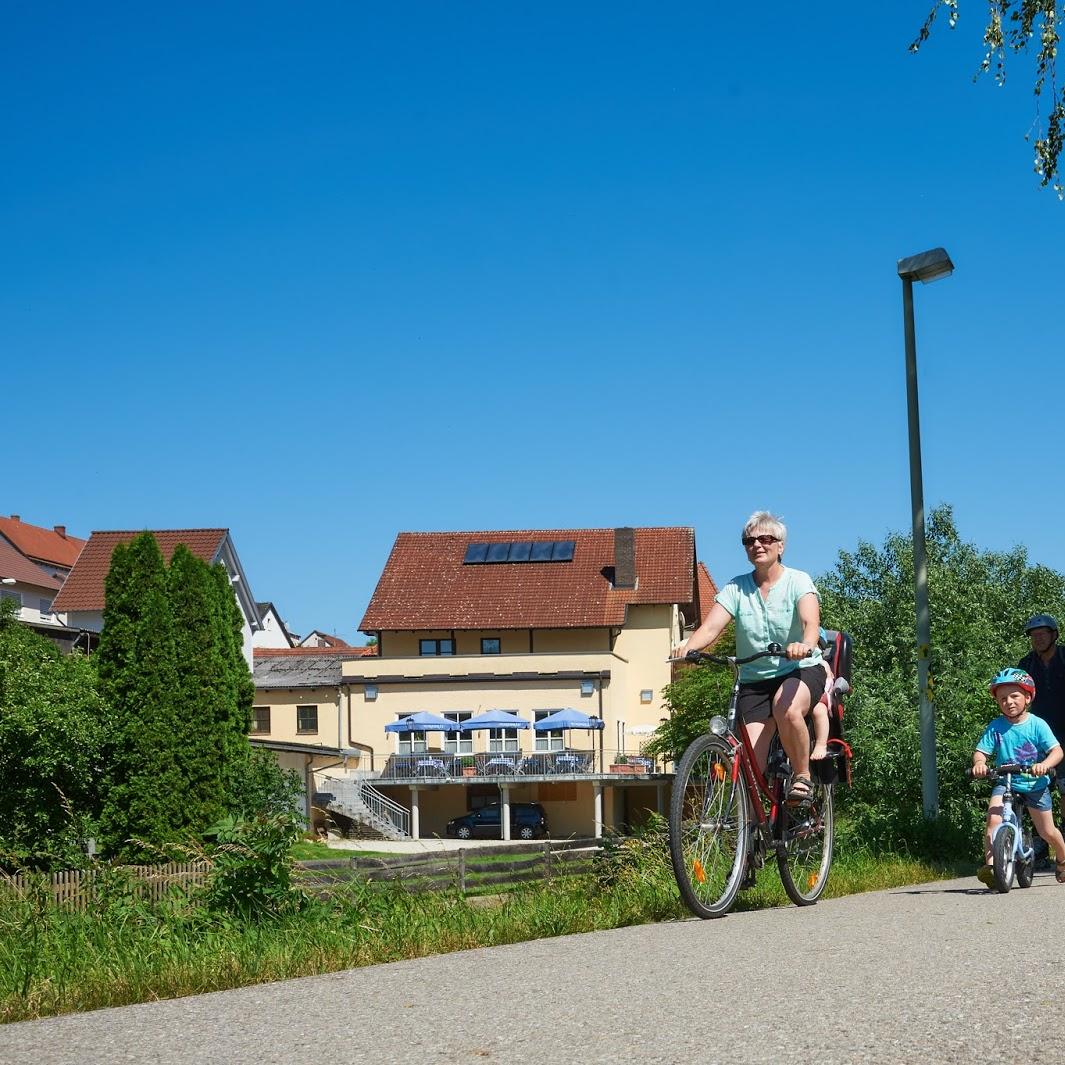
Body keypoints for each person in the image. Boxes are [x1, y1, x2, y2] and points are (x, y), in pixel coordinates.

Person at [675, 510, 827, 803]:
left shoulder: (798, 581)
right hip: (754, 679)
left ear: (780, 545)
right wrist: (688, 647)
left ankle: (803, 776)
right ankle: (755, 836)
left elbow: (811, 624)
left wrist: (805, 645)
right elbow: (710, 627)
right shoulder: (736, 587)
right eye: (749, 540)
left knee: (786, 707)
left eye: (766, 538)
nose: (757, 544)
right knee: (752, 769)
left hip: (799, 669)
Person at [972, 667, 1065, 887]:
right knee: (993, 820)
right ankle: (992, 868)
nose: (1009, 702)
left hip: (1034, 784)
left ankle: (1062, 858)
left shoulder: (1037, 724)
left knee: (1047, 831)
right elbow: (981, 752)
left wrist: (1044, 765)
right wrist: (980, 763)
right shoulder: (996, 727)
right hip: (1005, 782)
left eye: (1014, 696)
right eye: (1002, 698)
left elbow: (1057, 751)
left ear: (1028, 697)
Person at [1018, 614, 1065, 866]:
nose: (1038, 638)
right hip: (1036, 738)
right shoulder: (1026, 665)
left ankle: (1063, 842)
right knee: (1034, 789)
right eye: (1034, 636)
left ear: (1054, 635)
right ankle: (1038, 846)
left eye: (1043, 634)